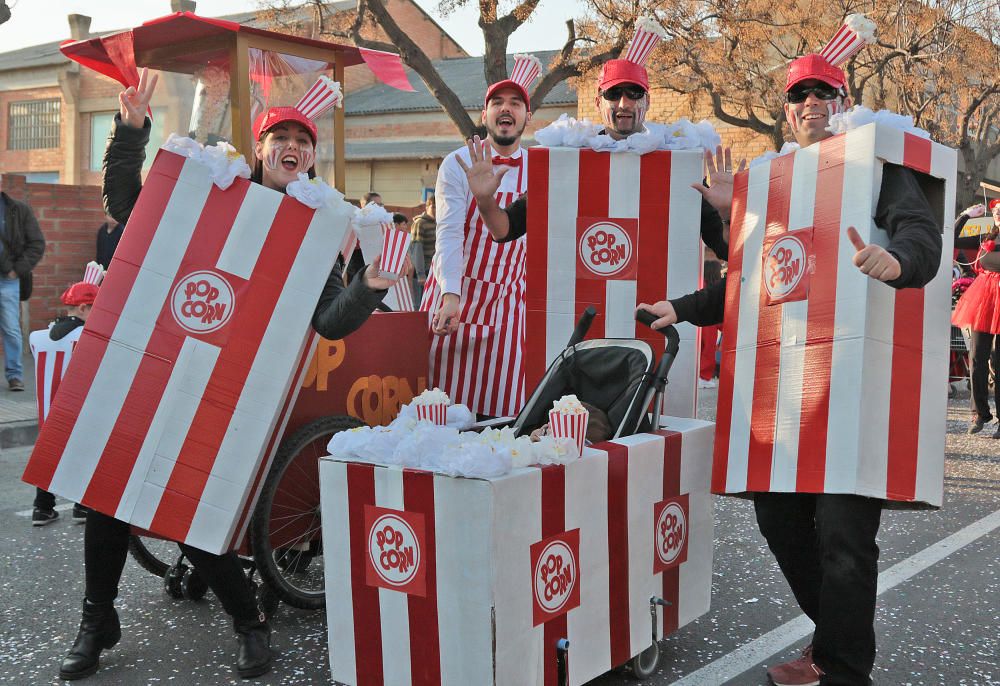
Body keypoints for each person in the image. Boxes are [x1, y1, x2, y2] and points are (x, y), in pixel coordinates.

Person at [58, 68, 393, 682]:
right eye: (280, 137)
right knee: (104, 495)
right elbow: (129, 206)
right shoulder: (215, 190)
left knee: (193, 509)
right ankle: (96, 619)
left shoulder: (314, 230)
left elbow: (329, 321)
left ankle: (248, 622)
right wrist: (132, 132)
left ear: (312, 156)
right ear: (261, 146)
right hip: (157, 365)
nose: (292, 147)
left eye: (304, 140)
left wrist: (369, 287)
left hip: (228, 390)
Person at [638, 53, 941, 686]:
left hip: (853, 391)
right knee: (777, 519)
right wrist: (704, 262)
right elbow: (753, 278)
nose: (811, 103)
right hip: (785, 392)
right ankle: (833, 646)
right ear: (785, 108)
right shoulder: (772, 180)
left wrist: (900, 261)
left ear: (842, 100)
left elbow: (919, 231)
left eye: (824, 92)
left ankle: (843, 669)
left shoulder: (876, 168)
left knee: (844, 542)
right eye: (799, 94)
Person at [461, 43, 729, 264]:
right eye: (613, 93)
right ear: (598, 102)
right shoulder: (569, 161)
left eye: (634, 93)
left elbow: (725, 248)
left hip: (658, 314)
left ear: (647, 101)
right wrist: (485, 201)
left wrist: (728, 212)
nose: (623, 103)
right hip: (584, 314)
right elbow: (505, 229)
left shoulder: (675, 165)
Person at [419, 54, 540, 419]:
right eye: (497, 103)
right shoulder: (456, 162)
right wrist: (451, 295)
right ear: (484, 115)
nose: (507, 109)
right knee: (439, 407)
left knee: (502, 414)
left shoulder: (542, 167)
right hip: (453, 293)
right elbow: (449, 232)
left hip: (508, 302)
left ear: (527, 117)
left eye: (516, 103)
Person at [28, 267, 102, 527]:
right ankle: (81, 507)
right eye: (95, 307)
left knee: (48, 458)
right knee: (83, 455)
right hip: (76, 411)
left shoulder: (36, 337)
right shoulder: (87, 337)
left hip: (48, 413)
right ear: (82, 308)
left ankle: (42, 509)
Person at [952, 198, 1000, 436]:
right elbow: (951, 238)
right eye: (996, 211)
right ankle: (979, 412)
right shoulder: (987, 239)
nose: (999, 214)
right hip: (984, 300)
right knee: (977, 357)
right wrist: (966, 216)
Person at [0, 183, 45, 392]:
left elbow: (37, 243)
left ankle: (15, 375)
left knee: (10, 328)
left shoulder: (18, 210)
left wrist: (16, 270)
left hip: (8, 280)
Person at [698, 258, 723, 389]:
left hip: (700, 319)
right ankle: (703, 377)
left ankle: (700, 376)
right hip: (710, 322)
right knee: (708, 349)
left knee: (701, 348)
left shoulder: (701, 285)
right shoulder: (715, 288)